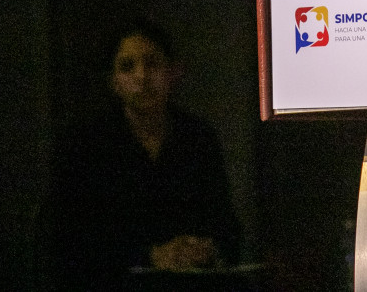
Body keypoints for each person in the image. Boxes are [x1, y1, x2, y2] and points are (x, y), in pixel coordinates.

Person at [43, 18, 240, 290]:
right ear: (114, 81)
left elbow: (226, 226)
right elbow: (67, 240)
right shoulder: (85, 144)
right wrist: (150, 255)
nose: (142, 77)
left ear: (173, 72)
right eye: (127, 67)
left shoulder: (197, 138)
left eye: (153, 64)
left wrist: (207, 249)